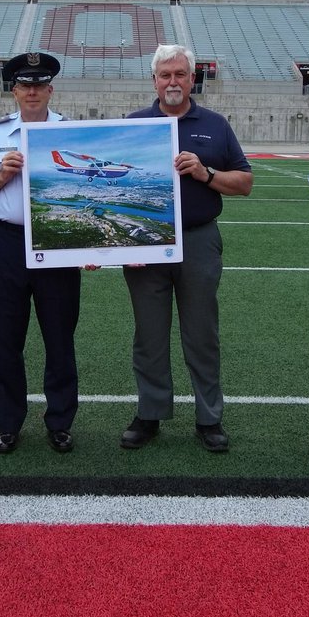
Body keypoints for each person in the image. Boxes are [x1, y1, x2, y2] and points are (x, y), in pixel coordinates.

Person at [120, 44, 253, 453]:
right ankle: (150, 413)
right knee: (149, 335)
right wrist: (122, 244)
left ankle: (209, 418)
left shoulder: (215, 124)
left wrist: (205, 172)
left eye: (180, 74)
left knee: (201, 334)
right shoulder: (134, 124)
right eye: (165, 75)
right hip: (146, 239)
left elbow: (244, 183)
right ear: (154, 80)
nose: (173, 81)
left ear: (193, 78)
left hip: (198, 240)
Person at [0, 52, 82, 454]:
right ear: (14, 90)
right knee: (6, 340)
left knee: (60, 338)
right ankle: (8, 423)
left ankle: (60, 422)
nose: (32, 91)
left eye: (39, 84)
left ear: (51, 90)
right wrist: (2, 174)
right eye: (25, 85)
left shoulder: (70, 132)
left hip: (57, 239)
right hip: (8, 243)